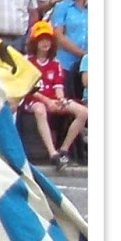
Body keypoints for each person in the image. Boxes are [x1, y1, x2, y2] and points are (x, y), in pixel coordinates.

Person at [20, 21, 88, 170]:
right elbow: (28, 88)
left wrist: (61, 99)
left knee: (82, 111)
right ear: (35, 42)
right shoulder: (26, 61)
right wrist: (47, 101)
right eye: (41, 39)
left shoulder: (56, 63)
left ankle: (63, 149)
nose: (45, 43)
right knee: (39, 109)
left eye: (48, 39)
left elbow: (58, 87)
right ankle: (52, 153)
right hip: (34, 99)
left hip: (52, 98)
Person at [51, 0, 88, 101]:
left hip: (87, 66)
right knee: (68, 99)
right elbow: (59, 37)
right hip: (67, 62)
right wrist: (83, 54)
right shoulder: (62, 7)